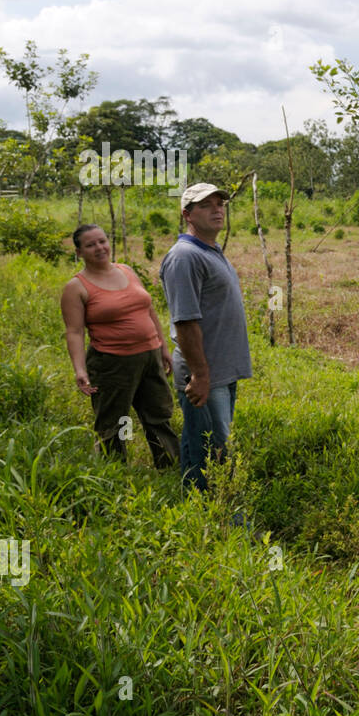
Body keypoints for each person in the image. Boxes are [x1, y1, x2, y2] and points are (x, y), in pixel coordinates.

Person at [60, 224, 180, 468]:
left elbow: (148, 309)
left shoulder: (126, 270)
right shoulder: (76, 287)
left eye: (102, 241)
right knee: (112, 422)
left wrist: (163, 347)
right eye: (90, 245)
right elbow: (74, 331)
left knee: (159, 415)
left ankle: (169, 467)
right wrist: (80, 370)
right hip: (111, 363)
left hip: (150, 357)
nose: (99, 248)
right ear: (79, 252)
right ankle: (113, 473)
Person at [159, 184, 252, 492]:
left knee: (199, 442)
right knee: (216, 450)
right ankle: (223, 517)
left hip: (218, 371)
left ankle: (197, 508)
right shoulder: (184, 257)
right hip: (205, 374)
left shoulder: (209, 250)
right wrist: (200, 374)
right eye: (206, 205)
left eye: (220, 204)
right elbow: (184, 320)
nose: (217, 209)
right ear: (187, 215)